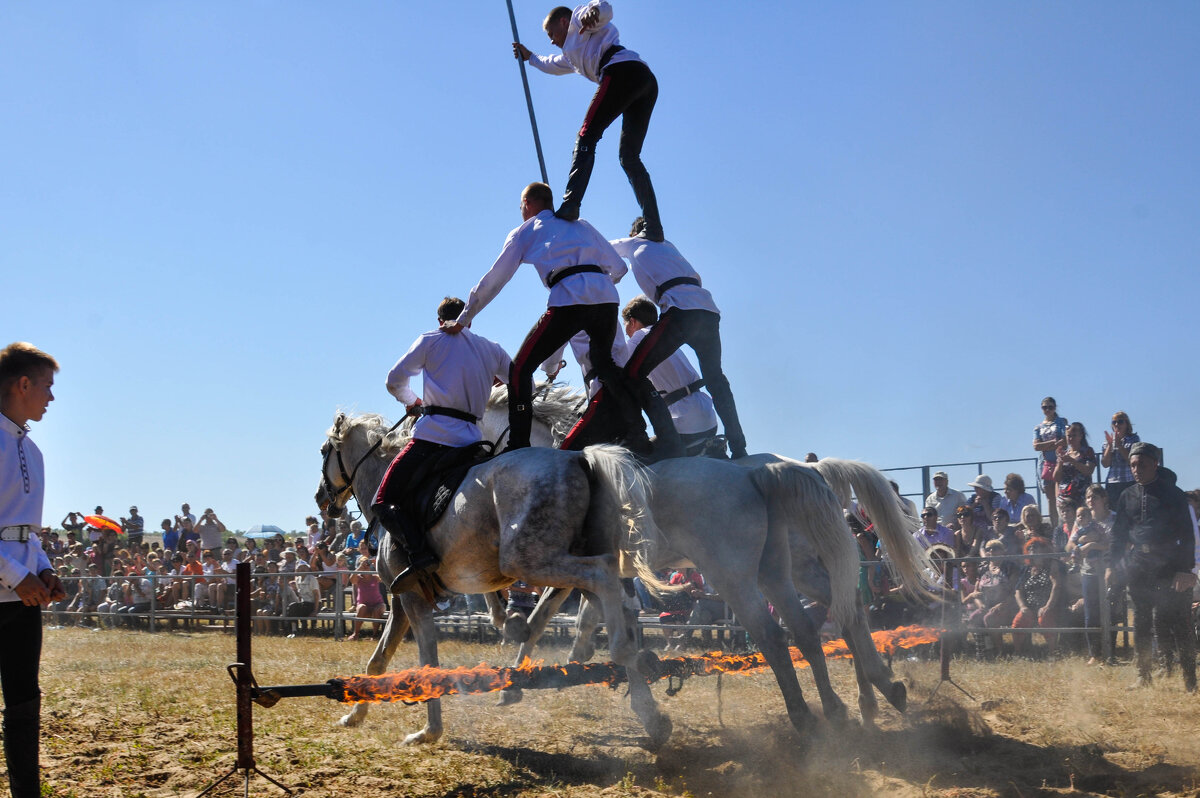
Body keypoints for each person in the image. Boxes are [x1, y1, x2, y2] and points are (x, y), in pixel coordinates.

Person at [450, 183, 672, 457]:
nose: (521, 211)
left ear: (528, 204)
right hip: (606, 299)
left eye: (521, 206)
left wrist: (466, 316)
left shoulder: (524, 230)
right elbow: (619, 267)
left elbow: (496, 278)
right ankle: (637, 430)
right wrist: (595, 281)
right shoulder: (583, 225)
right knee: (606, 365)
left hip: (568, 299)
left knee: (520, 370)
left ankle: (518, 444)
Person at [377, 296, 512, 594]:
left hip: (432, 438)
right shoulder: (491, 349)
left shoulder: (430, 340)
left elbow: (394, 380)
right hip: (472, 442)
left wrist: (413, 402)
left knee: (383, 501)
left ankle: (420, 555)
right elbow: (516, 380)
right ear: (469, 318)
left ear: (439, 321)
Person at [513, 2, 664, 240]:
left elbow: (602, 8)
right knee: (629, 157)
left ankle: (571, 203)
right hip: (644, 80)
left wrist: (594, 13)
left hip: (621, 71)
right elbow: (551, 64)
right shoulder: (571, 56)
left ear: (564, 22)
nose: (552, 40)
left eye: (552, 33)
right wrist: (530, 57)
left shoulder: (578, 22)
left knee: (586, 135)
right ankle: (654, 227)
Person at [609, 222, 748, 458]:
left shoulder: (635, 242)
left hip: (680, 311)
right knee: (716, 379)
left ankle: (650, 438)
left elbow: (602, 249)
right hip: (707, 309)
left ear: (632, 322)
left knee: (630, 376)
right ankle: (739, 447)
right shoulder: (670, 247)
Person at [0, 342, 65, 798]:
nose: (51, 397)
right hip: (9, 587)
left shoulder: (34, 451)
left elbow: (25, 530)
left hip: (24, 595)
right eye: (46, 386)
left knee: (24, 696)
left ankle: (27, 791)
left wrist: (42, 570)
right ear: (23, 384)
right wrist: (12, 575)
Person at [1109, 442, 1196, 691]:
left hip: (1170, 566)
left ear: (1155, 463)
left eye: (1142, 464)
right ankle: (1143, 675)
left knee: (1180, 623)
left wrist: (1185, 570)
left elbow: (1188, 535)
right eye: (1133, 465)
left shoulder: (1173, 494)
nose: (1137, 469)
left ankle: (1190, 680)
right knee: (1142, 622)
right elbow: (1118, 536)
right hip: (1139, 566)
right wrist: (1112, 566)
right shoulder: (1127, 496)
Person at [618, 296, 721, 456]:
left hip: (685, 422)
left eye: (626, 329)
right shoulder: (665, 337)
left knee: (634, 459)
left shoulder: (637, 341)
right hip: (708, 417)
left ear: (632, 322)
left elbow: (620, 378)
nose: (627, 336)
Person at [1066, 485, 1115, 664]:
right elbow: (1069, 546)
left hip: (1110, 569)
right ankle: (1095, 653)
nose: (1090, 501)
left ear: (1104, 499)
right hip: (1088, 571)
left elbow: (1117, 545)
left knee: (1111, 610)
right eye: (1087, 497)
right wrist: (1080, 542)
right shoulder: (1081, 520)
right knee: (1090, 613)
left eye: (1094, 497)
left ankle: (1111, 651)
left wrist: (1093, 545)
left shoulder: (1114, 518)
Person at [1033, 397, 1068, 530]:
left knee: (1061, 496)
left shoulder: (1061, 422)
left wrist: (1045, 445)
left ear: (1055, 407)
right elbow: (1036, 446)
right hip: (1046, 464)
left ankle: (1065, 526)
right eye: (1044, 407)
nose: (1047, 410)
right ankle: (1055, 528)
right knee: (1050, 499)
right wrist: (1054, 443)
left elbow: (1065, 440)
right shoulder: (1038, 427)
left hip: (1060, 462)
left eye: (1050, 407)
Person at [1053, 422, 1096, 530]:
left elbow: (1088, 470)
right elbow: (1056, 478)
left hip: (1081, 496)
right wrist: (1060, 462)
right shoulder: (1064, 453)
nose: (1071, 438)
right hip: (1064, 498)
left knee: (1083, 527)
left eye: (1074, 435)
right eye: (1069, 436)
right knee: (1065, 528)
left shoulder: (1087, 451)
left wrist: (1072, 461)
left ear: (1080, 436)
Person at [1101, 411, 1140, 506]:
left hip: (1129, 480)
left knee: (1130, 509)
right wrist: (1110, 445)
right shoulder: (1107, 442)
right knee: (1114, 510)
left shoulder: (1133, 439)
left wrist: (1119, 445)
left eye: (1120, 421)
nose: (1117, 424)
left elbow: (1131, 460)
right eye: (1114, 422)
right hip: (1112, 481)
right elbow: (1105, 464)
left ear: (1126, 424)